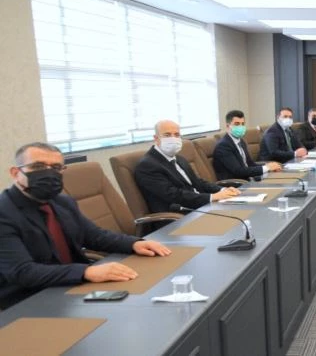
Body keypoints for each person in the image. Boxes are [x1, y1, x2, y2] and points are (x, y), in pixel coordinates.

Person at [0, 142, 171, 309]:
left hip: (74, 289)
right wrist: (86, 272)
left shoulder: (62, 202)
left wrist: (134, 243)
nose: (48, 173)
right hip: (28, 300)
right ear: (15, 173)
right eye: (38, 166)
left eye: (56, 167)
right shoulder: (4, 212)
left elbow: (94, 236)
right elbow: (22, 272)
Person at [135, 120, 239, 213]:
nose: (173, 138)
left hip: (200, 206)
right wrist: (212, 197)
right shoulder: (147, 165)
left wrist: (222, 190)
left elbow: (198, 182)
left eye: (176, 135)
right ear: (156, 138)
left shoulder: (179, 158)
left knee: (238, 210)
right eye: (167, 135)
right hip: (179, 215)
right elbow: (174, 195)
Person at [213, 110, 282, 181]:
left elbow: (250, 164)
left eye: (242, 124)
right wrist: (266, 168)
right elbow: (238, 171)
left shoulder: (241, 141)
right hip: (237, 184)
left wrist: (269, 167)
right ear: (228, 126)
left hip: (249, 179)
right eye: (237, 124)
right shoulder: (223, 146)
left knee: (279, 179)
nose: (240, 127)